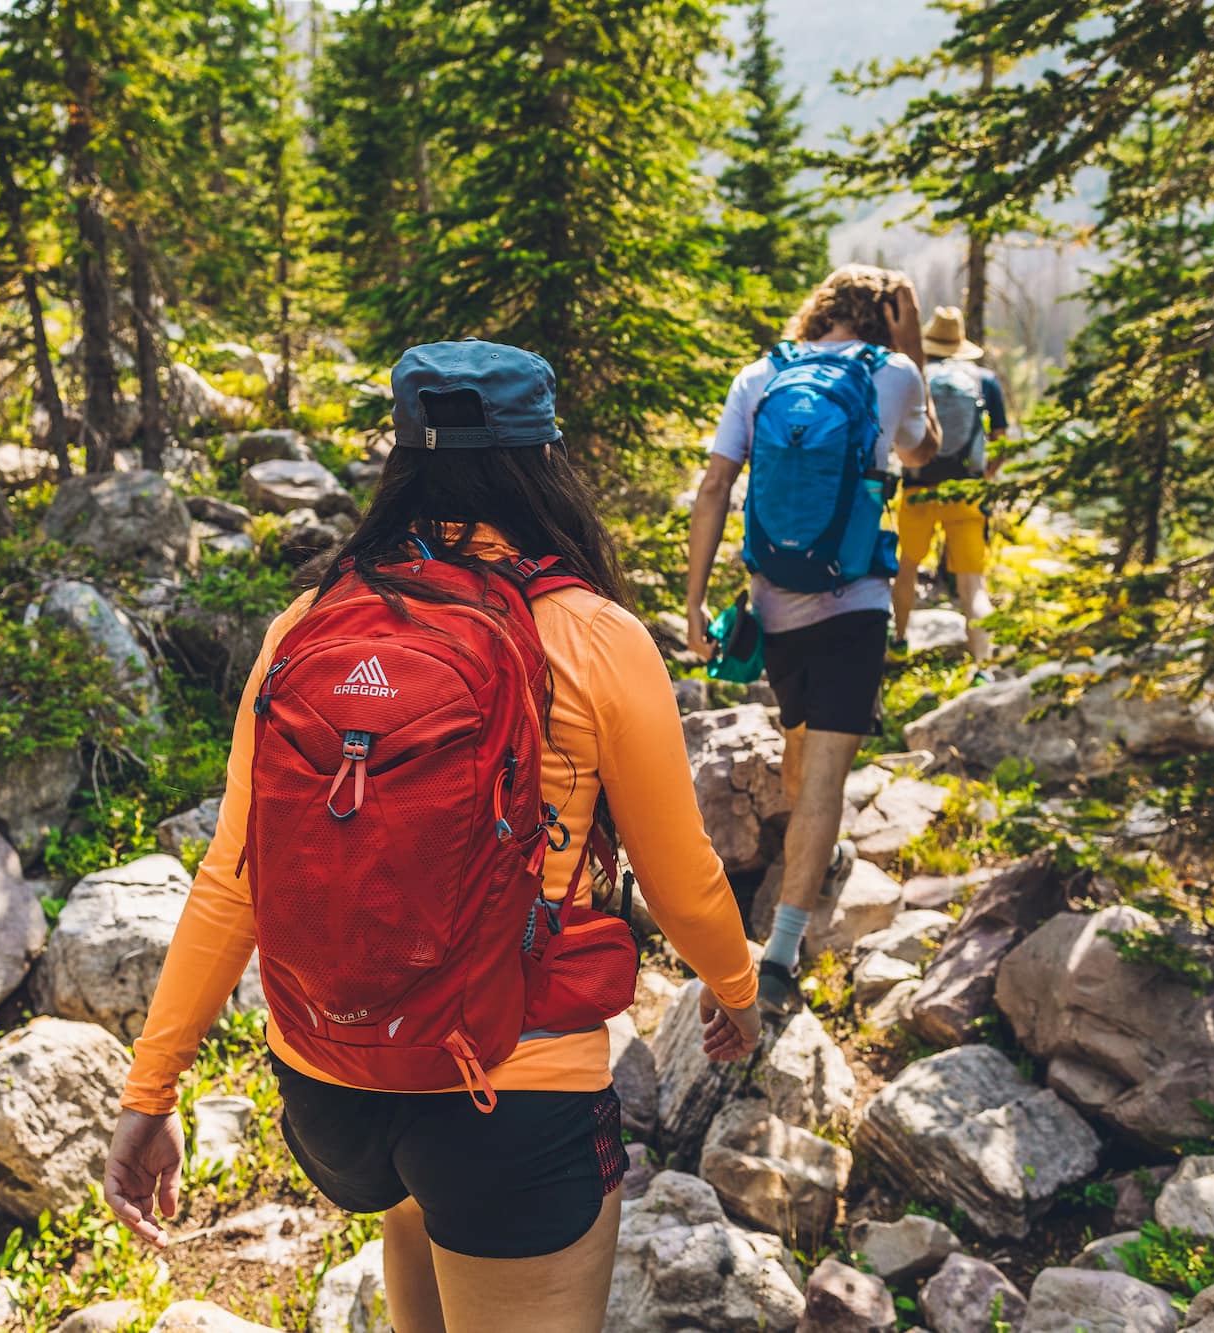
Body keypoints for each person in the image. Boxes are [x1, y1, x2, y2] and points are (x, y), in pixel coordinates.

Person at [106, 340, 761, 1333]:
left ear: (399, 463)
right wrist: (736, 991)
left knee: (418, 1215)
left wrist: (149, 1089)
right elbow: (681, 882)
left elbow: (231, 878)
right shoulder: (589, 634)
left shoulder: (308, 623)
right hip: (508, 1086)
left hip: (334, 1085)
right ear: (543, 461)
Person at [686, 265, 935, 1015]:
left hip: (776, 603)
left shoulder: (760, 374)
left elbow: (714, 486)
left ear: (817, 311)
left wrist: (695, 604)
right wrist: (913, 339)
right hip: (853, 599)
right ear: (882, 317)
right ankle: (782, 953)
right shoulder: (891, 372)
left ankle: (789, 923)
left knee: (801, 750)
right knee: (821, 769)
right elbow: (925, 452)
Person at [890, 306, 1011, 670]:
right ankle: (982, 665)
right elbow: (1001, 439)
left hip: (918, 489)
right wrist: (985, 477)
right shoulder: (984, 380)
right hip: (967, 492)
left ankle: (898, 641)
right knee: (972, 584)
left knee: (907, 568)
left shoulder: (917, 376)